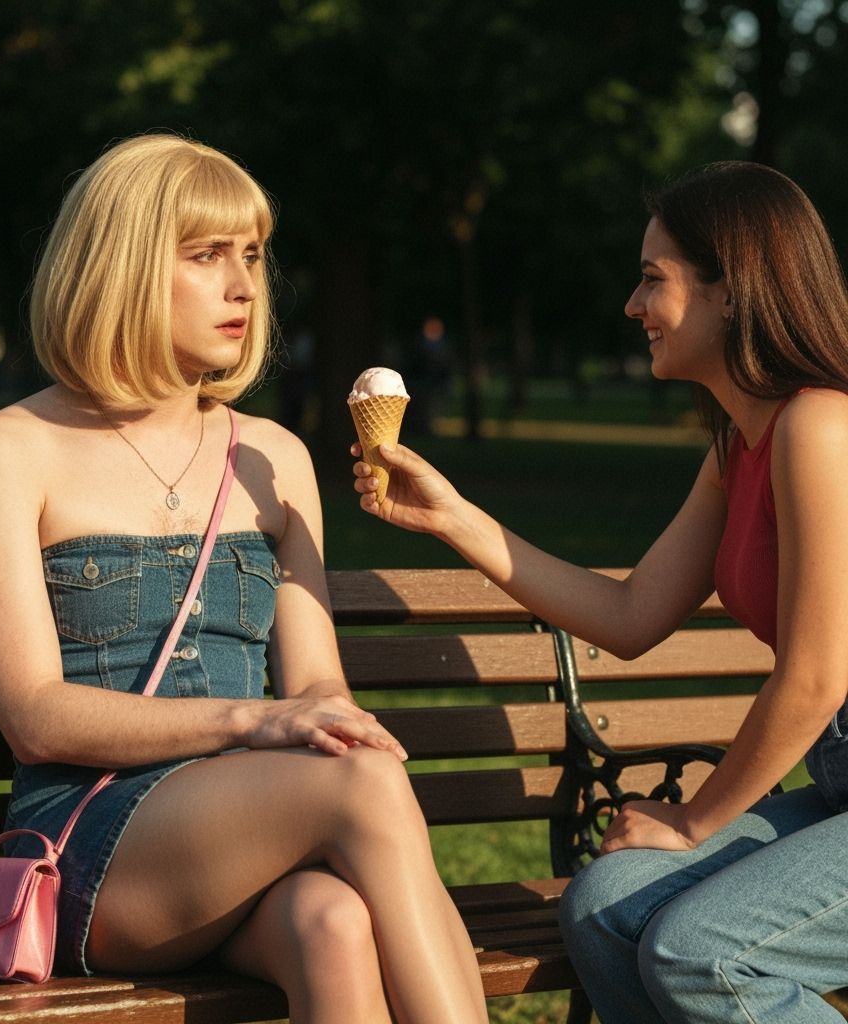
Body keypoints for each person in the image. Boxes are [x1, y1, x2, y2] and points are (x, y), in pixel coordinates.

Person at [0, 133, 488, 1024]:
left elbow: (319, 685)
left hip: (254, 834)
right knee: (364, 784)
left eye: (252, 256)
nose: (243, 285)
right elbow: (34, 715)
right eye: (206, 256)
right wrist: (255, 718)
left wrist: (309, 718)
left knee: (332, 923)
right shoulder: (7, 451)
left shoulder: (272, 454)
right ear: (118, 268)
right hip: (98, 847)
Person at [351, 161, 848, 1023]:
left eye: (654, 279)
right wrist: (455, 520)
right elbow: (629, 616)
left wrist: (693, 824)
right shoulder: (742, 446)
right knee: (605, 905)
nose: (631, 304)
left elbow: (814, 677)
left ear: (733, 291)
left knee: (701, 952)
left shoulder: (819, 425)